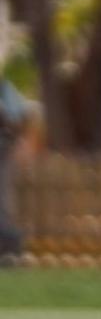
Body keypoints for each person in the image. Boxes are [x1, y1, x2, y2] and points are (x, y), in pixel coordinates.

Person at [0, 75, 26, 262]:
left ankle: (9, 251)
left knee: (4, 200)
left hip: (3, 151)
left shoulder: (5, 89)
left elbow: (18, 118)